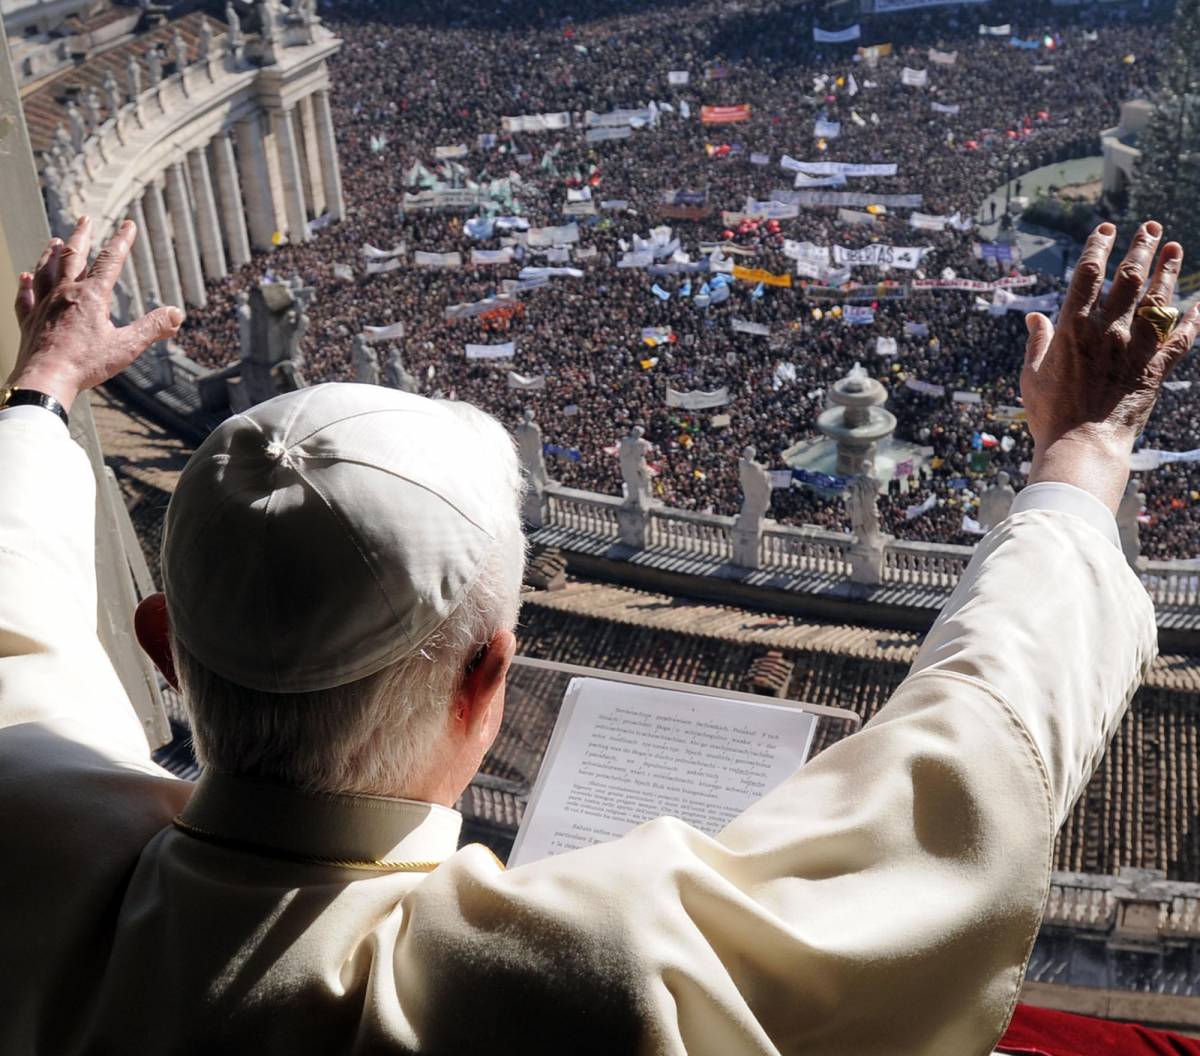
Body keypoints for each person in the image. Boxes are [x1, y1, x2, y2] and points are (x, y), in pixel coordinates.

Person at [0, 215, 1196, 1053]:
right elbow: (964, 778)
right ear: (488, 678)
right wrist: (1087, 449)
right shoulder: (575, 987)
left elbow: (21, 615)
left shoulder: (31, 842)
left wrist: (42, 386)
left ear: (162, 644)